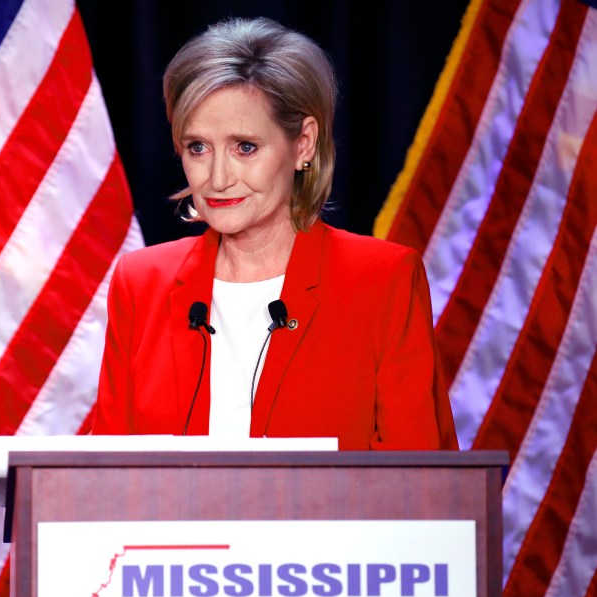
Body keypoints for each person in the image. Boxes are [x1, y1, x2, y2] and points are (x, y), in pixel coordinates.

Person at [91, 17, 458, 450]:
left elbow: (423, 490)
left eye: (245, 147)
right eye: (197, 147)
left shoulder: (382, 280)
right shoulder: (142, 281)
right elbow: (105, 475)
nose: (218, 178)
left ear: (303, 144)